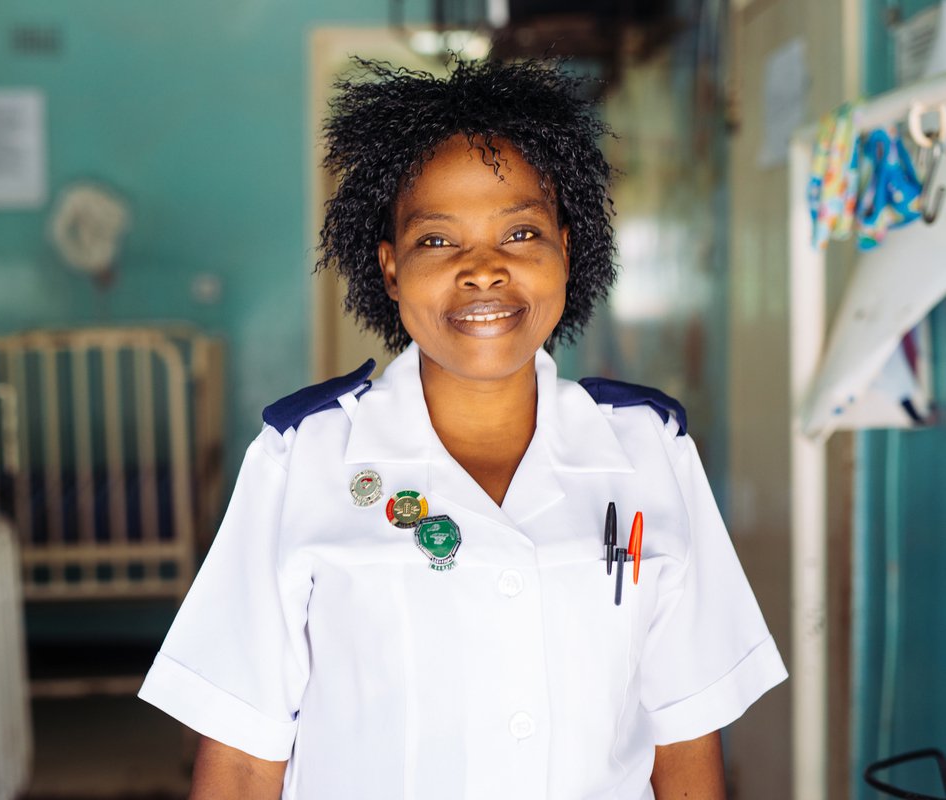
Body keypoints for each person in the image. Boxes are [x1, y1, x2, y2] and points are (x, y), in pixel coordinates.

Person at [139, 58, 786, 799]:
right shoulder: (305, 459)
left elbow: (685, 745)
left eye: (519, 233)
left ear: (566, 251)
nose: (484, 270)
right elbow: (246, 762)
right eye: (438, 242)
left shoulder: (648, 455)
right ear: (388, 268)